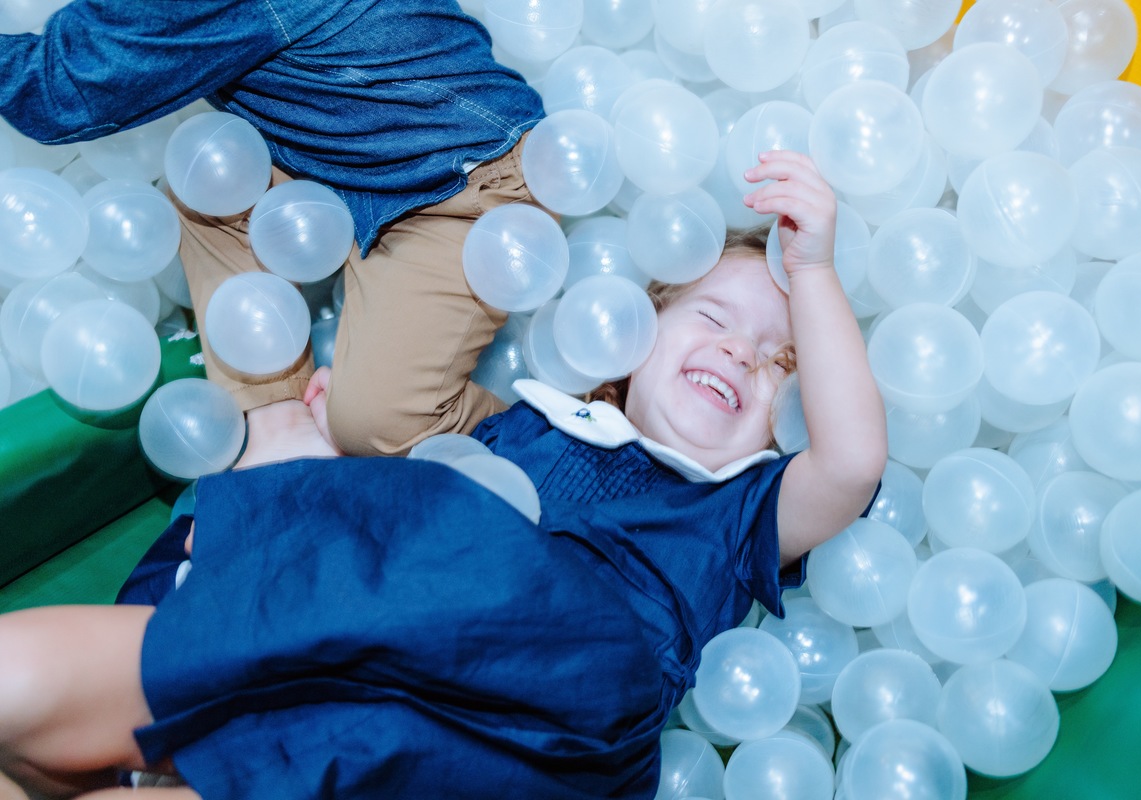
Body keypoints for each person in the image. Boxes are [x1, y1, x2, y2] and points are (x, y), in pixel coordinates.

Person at [0, 150, 887, 799]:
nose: (742, 351)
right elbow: (398, 522)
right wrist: (327, 467)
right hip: (352, 621)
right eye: (716, 319)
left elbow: (848, 463)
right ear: (630, 333)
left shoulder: (736, 515)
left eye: (783, 363)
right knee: (20, 685)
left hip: (527, 709)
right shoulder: (524, 422)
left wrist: (811, 269)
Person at [0, 0, 546, 459]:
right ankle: (279, 421)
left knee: (378, 426)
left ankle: (570, 447)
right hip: (338, 155)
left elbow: (56, 90)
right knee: (207, 183)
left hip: (463, 180)